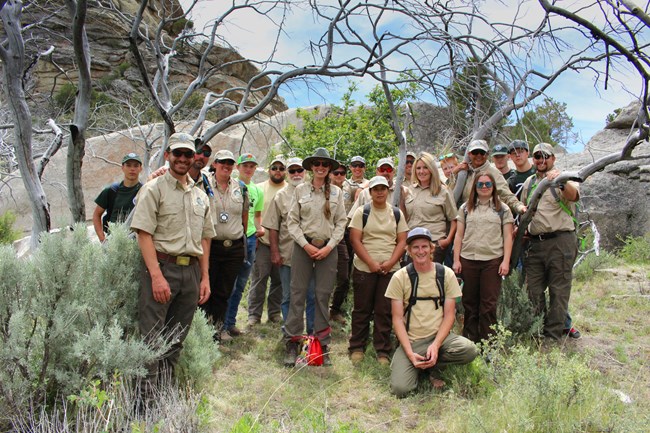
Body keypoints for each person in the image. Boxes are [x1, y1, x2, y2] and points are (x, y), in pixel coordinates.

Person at [130, 132, 215, 388]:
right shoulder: (154, 188)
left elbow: (205, 238)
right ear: (167, 155)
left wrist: (204, 277)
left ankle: (165, 395)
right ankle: (144, 402)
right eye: (177, 153)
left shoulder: (200, 195)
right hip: (162, 268)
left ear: (194, 158)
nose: (182, 158)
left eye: (188, 154)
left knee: (176, 338)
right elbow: (143, 233)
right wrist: (156, 276)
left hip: (190, 273)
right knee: (152, 339)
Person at [386, 227, 477, 397]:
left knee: (469, 350)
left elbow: (450, 315)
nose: (421, 251)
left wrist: (435, 345)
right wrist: (409, 353)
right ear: (409, 251)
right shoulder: (400, 277)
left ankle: (434, 365)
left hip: (440, 339)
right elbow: (397, 319)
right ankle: (417, 366)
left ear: (431, 249)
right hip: (412, 341)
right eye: (415, 247)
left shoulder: (446, 274)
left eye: (424, 246)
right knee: (400, 390)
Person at [284, 148, 347, 367]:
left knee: (322, 296)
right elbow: (292, 221)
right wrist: (305, 245)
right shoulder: (300, 190)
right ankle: (292, 342)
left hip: (328, 249)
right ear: (311, 167)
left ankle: (321, 344)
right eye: (317, 163)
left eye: (325, 164)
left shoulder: (337, 193)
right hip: (303, 247)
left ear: (329, 168)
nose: (321, 167)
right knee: (297, 293)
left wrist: (330, 247)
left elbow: (341, 223)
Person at [521, 143, 580, 341]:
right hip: (535, 243)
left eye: (545, 156)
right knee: (533, 289)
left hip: (560, 241)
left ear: (553, 158)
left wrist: (561, 182)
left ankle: (553, 335)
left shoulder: (564, 178)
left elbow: (574, 196)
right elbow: (524, 209)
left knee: (559, 290)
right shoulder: (529, 183)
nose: (541, 160)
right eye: (537, 156)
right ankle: (537, 329)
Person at [348, 176, 409, 364]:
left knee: (384, 310)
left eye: (383, 188)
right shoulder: (362, 212)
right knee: (362, 308)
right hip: (364, 268)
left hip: (390, 270)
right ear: (370, 192)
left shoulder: (397, 214)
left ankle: (382, 350)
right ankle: (357, 346)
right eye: (376, 189)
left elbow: (402, 241)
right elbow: (355, 240)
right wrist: (371, 263)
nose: (380, 192)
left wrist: (391, 263)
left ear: (388, 191)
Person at [453, 173, 514, 342]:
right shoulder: (466, 208)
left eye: (488, 184)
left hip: (492, 261)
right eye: (480, 184)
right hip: (468, 260)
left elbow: (508, 237)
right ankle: (470, 341)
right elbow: (459, 235)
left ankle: (489, 344)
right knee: (470, 303)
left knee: (488, 305)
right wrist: (456, 260)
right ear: (475, 187)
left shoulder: (503, 209)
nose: (484, 187)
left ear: (493, 186)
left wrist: (505, 261)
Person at [263, 157, 316, 333]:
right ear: (287, 173)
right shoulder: (280, 196)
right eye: (292, 171)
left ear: (305, 172)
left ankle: (312, 334)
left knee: (311, 295)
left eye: (299, 170)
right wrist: (274, 252)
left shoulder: (315, 192)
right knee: (288, 296)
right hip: (288, 254)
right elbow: (273, 227)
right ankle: (291, 333)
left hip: (311, 255)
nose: (296, 174)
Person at [200, 149, 247, 339]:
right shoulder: (204, 184)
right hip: (211, 246)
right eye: (222, 162)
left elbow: (244, 216)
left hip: (234, 247)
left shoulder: (240, 187)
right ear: (214, 164)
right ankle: (202, 331)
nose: (226, 166)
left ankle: (217, 329)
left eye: (229, 163)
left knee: (225, 290)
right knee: (205, 290)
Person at [222, 153, 264, 340]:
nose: (248, 169)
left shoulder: (257, 190)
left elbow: (257, 214)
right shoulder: (232, 187)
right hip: (234, 238)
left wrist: (258, 229)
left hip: (250, 238)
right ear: (238, 167)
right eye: (245, 165)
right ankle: (220, 323)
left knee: (240, 284)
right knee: (227, 284)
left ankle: (230, 323)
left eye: (252, 166)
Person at [247, 156, 286, 327]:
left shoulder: (290, 190)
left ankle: (274, 313)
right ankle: (254, 315)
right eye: (274, 168)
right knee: (259, 278)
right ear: (269, 170)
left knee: (279, 281)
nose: (278, 171)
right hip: (262, 241)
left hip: (283, 243)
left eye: (281, 168)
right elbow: (252, 213)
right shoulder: (258, 188)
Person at [405, 152, 457, 264]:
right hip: (412, 242)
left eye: (425, 168)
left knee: (430, 279)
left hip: (434, 243)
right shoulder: (409, 190)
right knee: (412, 279)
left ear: (432, 169)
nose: (421, 171)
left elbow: (453, 219)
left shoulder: (443, 191)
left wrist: (447, 241)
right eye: (418, 168)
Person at [456, 139, 525, 216]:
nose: (479, 155)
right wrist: (455, 172)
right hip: (466, 219)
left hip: (488, 220)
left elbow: (506, 195)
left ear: (487, 154)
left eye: (482, 153)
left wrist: (519, 207)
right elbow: (449, 191)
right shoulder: (464, 172)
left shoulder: (494, 173)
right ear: (469, 154)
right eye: (475, 152)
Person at [93, 152, 143, 242]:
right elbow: (97, 215)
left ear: (140, 168)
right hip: (113, 242)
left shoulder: (145, 191)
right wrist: (102, 239)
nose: (132, 169)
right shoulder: (111, 190)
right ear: (122, 167)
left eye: (136, 166)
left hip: (137, 242)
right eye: (128, 165)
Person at [329, 163, 351, 325]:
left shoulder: (348, 188)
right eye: (335, 173)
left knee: (343, 276)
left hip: (342, 236)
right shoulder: (321, 189)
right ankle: (320, 311)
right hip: (322, 237)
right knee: (323, 277)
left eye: (342, 173)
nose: (339, 176)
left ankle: (335, 309)